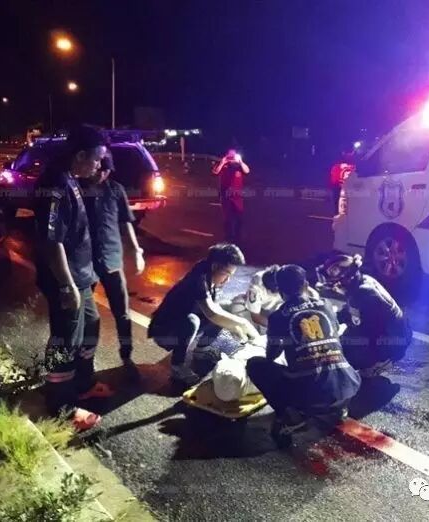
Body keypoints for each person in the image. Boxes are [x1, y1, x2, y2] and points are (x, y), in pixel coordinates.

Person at [33, 124, 107, 433]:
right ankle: (61, 406)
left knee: (91, 325)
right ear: (79, 155)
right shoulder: (55, 185)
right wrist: (66, 285)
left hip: (81, 275)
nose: (99, 165)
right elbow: (52, 242)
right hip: (66, 279)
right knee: (65, 338)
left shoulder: (71, 178)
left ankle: (83, 383)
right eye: (96, 159)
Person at [246, 265, 361, 445]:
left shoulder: (278, 317)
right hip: (348, 385)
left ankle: (291, 416)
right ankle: (337, 408)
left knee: (256, 365)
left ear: (281, 292)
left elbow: (271, 355)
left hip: (312, 395)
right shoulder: (326, 305)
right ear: (306, 285)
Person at [147, 243, 259, 385]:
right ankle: (177, 366)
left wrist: (236, 324)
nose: (227, 280)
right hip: (164, 333)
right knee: (192, 321)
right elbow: (212, 314)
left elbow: (216, 310)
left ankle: (202, 350)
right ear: (215, 266)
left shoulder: (210, 274)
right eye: (226, 274)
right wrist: (243, 324)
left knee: (224, 309)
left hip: (180, 324)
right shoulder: (198, 279)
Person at [81, 149, 145, 379]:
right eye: (99, 169)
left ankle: (126, 356)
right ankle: (85, 362)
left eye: (106, 170)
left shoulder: (116, 190)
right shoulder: (78, 189)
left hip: (112, 259)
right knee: (87, 317)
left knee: (122, 313)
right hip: (86, 262)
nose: (101, 174)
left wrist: (136, 250)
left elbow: (126, 222)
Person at [318, 254, 411, 377]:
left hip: (392, 342)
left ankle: (381, 362)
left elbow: (364, 331)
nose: (333, 288)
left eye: (334, 285)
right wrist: (327, 320)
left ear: (345, 280)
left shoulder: (363, 294)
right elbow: (349, 312)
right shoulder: (361, 283)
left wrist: (333, 344)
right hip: (393, 335)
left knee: (339, 354)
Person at [229, 265, 320, 333]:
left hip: (281, 308)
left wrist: (314, 304)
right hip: (262, 310)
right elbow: (255, 317)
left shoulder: (285, 275)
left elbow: (309, 291)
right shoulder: (256, 288)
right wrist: (279, 327)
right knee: (238, 306)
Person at [212, 149, 250, 244]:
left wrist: (240, 162)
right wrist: (223, 162)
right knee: (228, 218)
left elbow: (247, 171)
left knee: (239, 218)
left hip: (237, 197)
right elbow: (215, 172)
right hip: (226, 196)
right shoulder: (223, 165)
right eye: (230, 156)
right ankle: (228, 238)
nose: (232, 158)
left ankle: (238, 237)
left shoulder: (239, 166)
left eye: (233, 156)